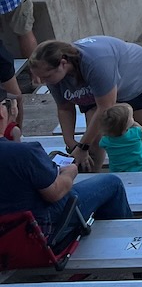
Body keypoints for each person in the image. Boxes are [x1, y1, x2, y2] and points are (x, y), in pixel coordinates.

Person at [0, 93, 133, 229]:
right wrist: (70, 172)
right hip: (39, 229)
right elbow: (55, 193)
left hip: (6, 233)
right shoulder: (25, 152)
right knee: (112, 183)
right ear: (1, 113)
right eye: (7, 104)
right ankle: (124, 237)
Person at [29, 37, 142, 173]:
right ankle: (92, 177)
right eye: (39, 77)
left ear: (63, 63)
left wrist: (83, 146)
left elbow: (105, 107)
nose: (42, 82)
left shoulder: (95, 64)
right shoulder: (53, 77)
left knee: (136, 127)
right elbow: (64, 108)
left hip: (135, 75)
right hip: (94, 87)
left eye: (46, 77)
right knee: (94, 140)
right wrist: (71, 144)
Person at [98, 102, 142, 173]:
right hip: (140, 167)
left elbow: (101, 144)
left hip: (118, 170)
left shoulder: (106, 141)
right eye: (131, 118)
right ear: (126, 125)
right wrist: (135, 123)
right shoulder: (135, 133)